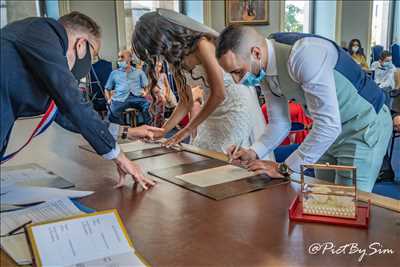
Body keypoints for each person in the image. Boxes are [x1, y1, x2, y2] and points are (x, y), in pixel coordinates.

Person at [216, 25, 392, 192]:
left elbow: (329, 126)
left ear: (256, 53)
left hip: (363, 125)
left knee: (346, 205)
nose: (237, 81)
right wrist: (253, 152)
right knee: (322, 198)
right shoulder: (262, 67)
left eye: (238, 72)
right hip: (328, 131)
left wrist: (284, 169)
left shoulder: (302, 55)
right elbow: (280, 122)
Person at [0, 12, 162, 189]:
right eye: (92, 55)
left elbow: (67, 116)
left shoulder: (38, 50)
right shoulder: (43, 31)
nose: (89, 64)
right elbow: (74, 103)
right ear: (81, 45)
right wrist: (120, 157)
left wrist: (126, 132)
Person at [132, 9, 268, 154]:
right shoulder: (174, 56)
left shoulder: (202, 44)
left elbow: (219, 93)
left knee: (226, 156)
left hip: (235, 107)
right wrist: (162, 131)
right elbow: (185, 102)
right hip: (211, 112)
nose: (158, 54)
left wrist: (188, 129)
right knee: (203, 154)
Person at [105, 50, 152, 125]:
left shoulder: (139, 72)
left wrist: (146, 93)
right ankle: (123, 131)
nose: (119, 59)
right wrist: (108, 99)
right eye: (119, 57)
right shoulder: (114, 73)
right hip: (119, 99)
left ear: (130, 58)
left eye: (122, 57)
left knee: (150, 107)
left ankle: (149, 129)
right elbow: (107, 89)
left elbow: (147, 86)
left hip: (137, 97)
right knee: (111, 113)